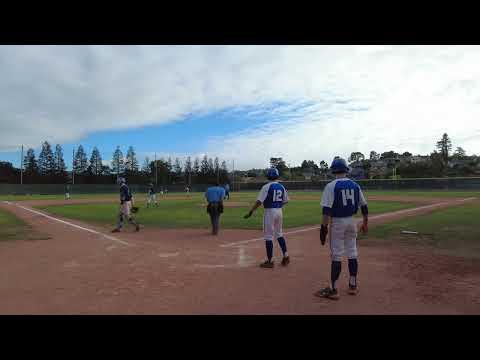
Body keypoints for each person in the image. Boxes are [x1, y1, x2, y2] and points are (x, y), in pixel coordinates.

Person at [315, 157, 368, 300]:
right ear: (346, 170)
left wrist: (323, 228)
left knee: (336, 255)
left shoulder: (331, 186)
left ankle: (333, 289)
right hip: (352, 221)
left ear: (333, 170)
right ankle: (353, 285)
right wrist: (365, 223)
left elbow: (326, 211)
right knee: (352, 252)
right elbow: (364, 206)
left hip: (338, 223)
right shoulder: (355, 185)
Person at [244, 168, 290, 268]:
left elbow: (259, 201)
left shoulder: (266, 187)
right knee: (279, 234)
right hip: (279, 211)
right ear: (277, 176)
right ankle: (286, 256)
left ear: (268, 176)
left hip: (270, 211)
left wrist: (251, 211)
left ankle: (270, 260)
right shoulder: (281, 186)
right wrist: (278, 204)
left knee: (268, 236)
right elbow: (286, 200)